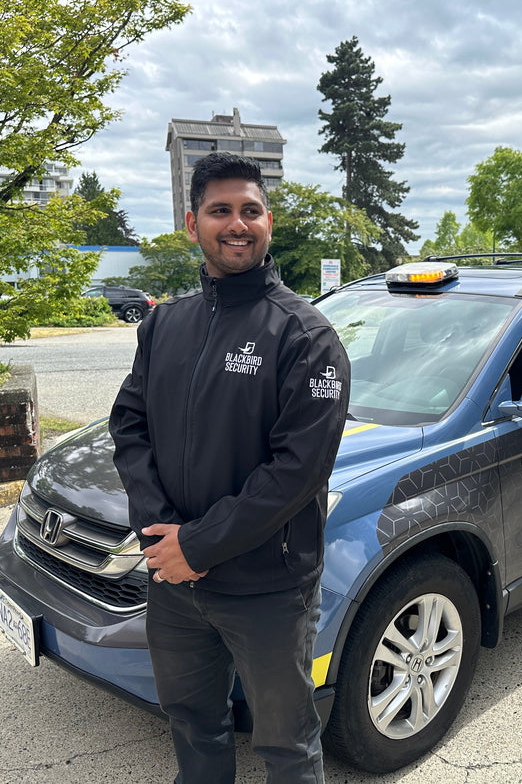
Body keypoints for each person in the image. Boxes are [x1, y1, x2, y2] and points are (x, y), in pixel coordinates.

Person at [109, 151, 350, 784]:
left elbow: (298, 471)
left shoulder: (305, 336)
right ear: (193, 223)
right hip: (175, 582)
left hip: (267, 588)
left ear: (269, 221)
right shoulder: (164, 326)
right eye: (220, 211)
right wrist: (164, 535)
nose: (236, 224)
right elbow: (129, 427)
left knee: (287, 746)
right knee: (191, 724)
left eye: (250, 210)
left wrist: (201, 543)